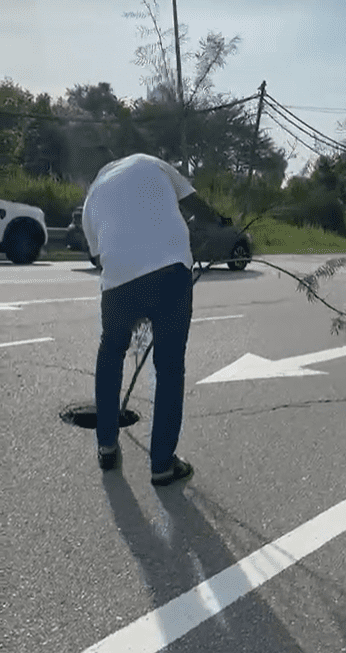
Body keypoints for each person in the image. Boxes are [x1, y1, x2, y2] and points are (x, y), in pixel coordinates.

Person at [82, 153, 218, 484]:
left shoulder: (93, 195)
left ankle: (106, 446)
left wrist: (131, 290)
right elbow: (198, 208)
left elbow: (97, 256)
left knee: (111, 351)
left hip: (117, 281)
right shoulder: (150, 162)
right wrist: (223, 222)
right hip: (170, 268)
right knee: (169, 367)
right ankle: (162, 464)